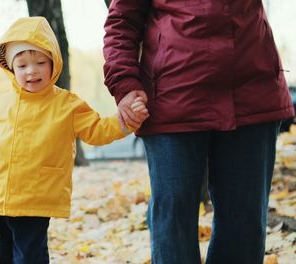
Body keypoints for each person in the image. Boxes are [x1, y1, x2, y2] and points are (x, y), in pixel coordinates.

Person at [0, 16, 148, 263]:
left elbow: (97, 130)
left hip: (34, 200)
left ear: (53, 64)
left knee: (29, 258)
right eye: (22, 65)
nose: (32, 71)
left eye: (40, 62)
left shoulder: (67, 105)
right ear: (11, 69)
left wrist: (125, 122)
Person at [103, 1, 295, 264]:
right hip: (172, 96)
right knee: (174, 212)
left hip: (252, 92)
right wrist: (123, 83)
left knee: (244, 218)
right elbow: (122, 21)